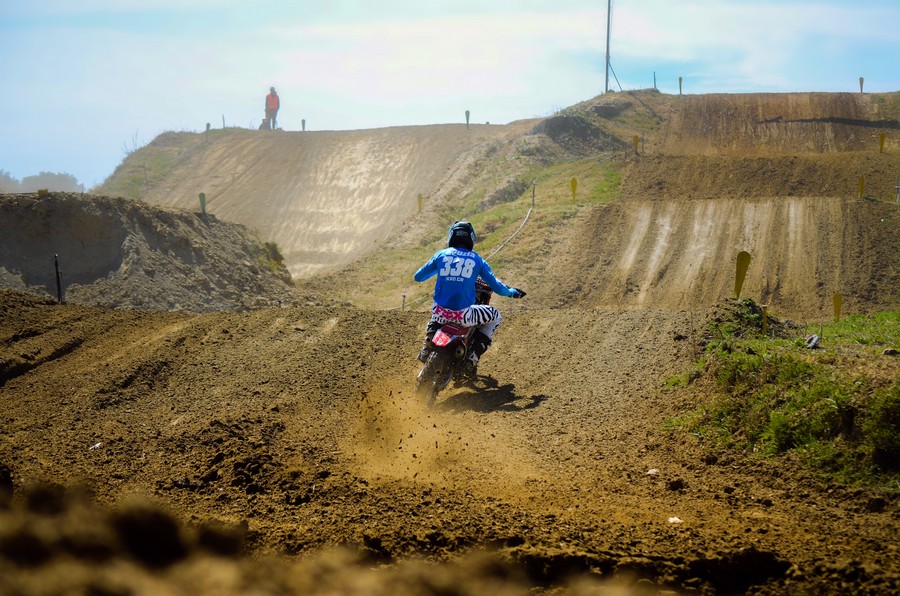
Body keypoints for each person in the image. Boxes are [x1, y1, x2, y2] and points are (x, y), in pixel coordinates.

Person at [414, 221, 525, 376]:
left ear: (451, 236)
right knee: (495, 316)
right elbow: (498, 288)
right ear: (471, 238)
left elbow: (418, 277)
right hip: (464, 316)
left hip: (440, 314)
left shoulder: (441, 255)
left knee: (437, 307)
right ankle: (473, 357)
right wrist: (511, 292)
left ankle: (427, 345)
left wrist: (441, 270)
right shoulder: (477, 260)